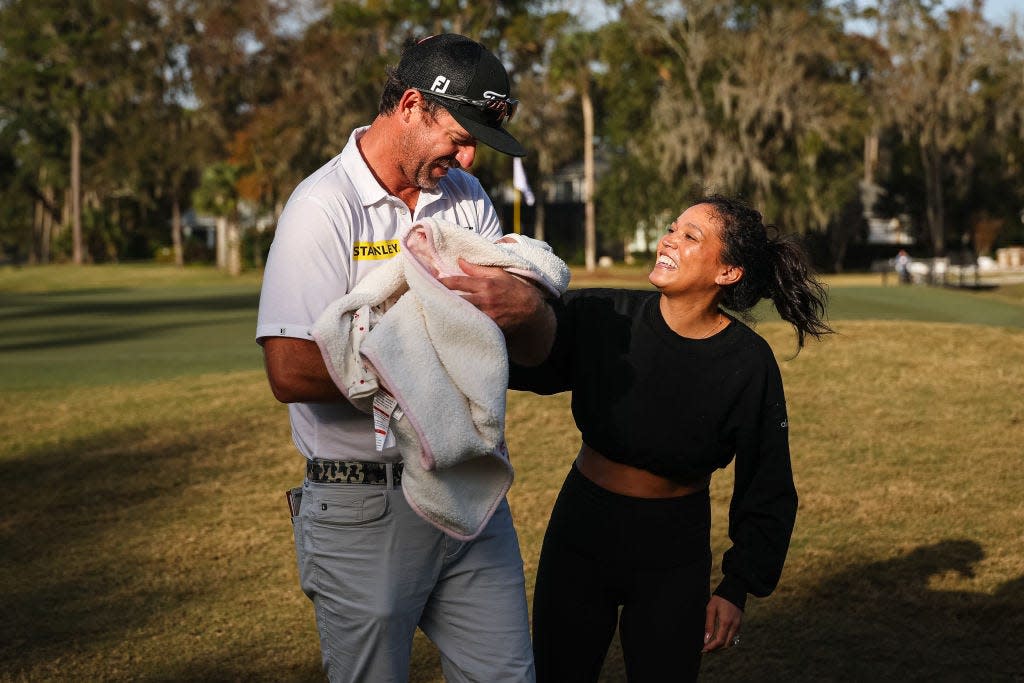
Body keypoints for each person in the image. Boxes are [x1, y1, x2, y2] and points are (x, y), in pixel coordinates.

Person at [256, 34, 550, 683]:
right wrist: (418, 363)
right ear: (412, 105)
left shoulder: (465, 196)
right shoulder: (321, 206)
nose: (470, 157)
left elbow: (523, 339)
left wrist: (527, 308)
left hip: (470, 491)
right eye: (461, 134)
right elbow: (289, 368)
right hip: (362, 507)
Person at [508, 195, 833, 681]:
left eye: (690, 236)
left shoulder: (749, 363)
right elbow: (524, 359)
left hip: (672, 549)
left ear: (728, 272)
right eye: (672, 228)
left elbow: (767, 480)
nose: (669, 241)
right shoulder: (605, 314)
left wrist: (735, 587)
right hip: (581, 528)